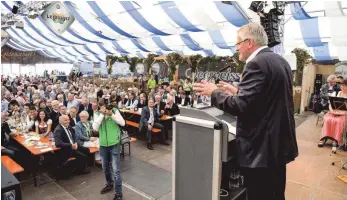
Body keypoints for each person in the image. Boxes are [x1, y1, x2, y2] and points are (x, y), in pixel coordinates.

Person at [193, 23, 298, 200]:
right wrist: (237, 92)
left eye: (238, 43)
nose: (237, 48)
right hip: (278, 146)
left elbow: (240, 107)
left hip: (261, 151)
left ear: (250, 42)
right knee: (276, 194)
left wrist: (214, 92)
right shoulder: (280, 61)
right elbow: (268, 100)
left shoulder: (256, 64)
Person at [93, 105, 125, 200]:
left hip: (114, 144)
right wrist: (102, 115)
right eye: (102, 107)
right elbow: (95, 127)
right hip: (103, 145)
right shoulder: (97, 113)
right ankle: (109, 184)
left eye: (106, 106)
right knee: (105, 168)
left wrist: (112, 115)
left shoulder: (114, 111)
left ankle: (119, 193)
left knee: (116, 170)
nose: (105, 109)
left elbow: (122, 123)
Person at [319, 79, 347, 152]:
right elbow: (330, 104)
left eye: (345, 86)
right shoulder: (337, 93)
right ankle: (324, 137)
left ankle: (335, 140)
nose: (342, 87)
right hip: (334, 112)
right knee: (328, 119)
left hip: (343, 114)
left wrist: (342, 113)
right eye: (342, 85)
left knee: (338, 121)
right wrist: (332, 111)